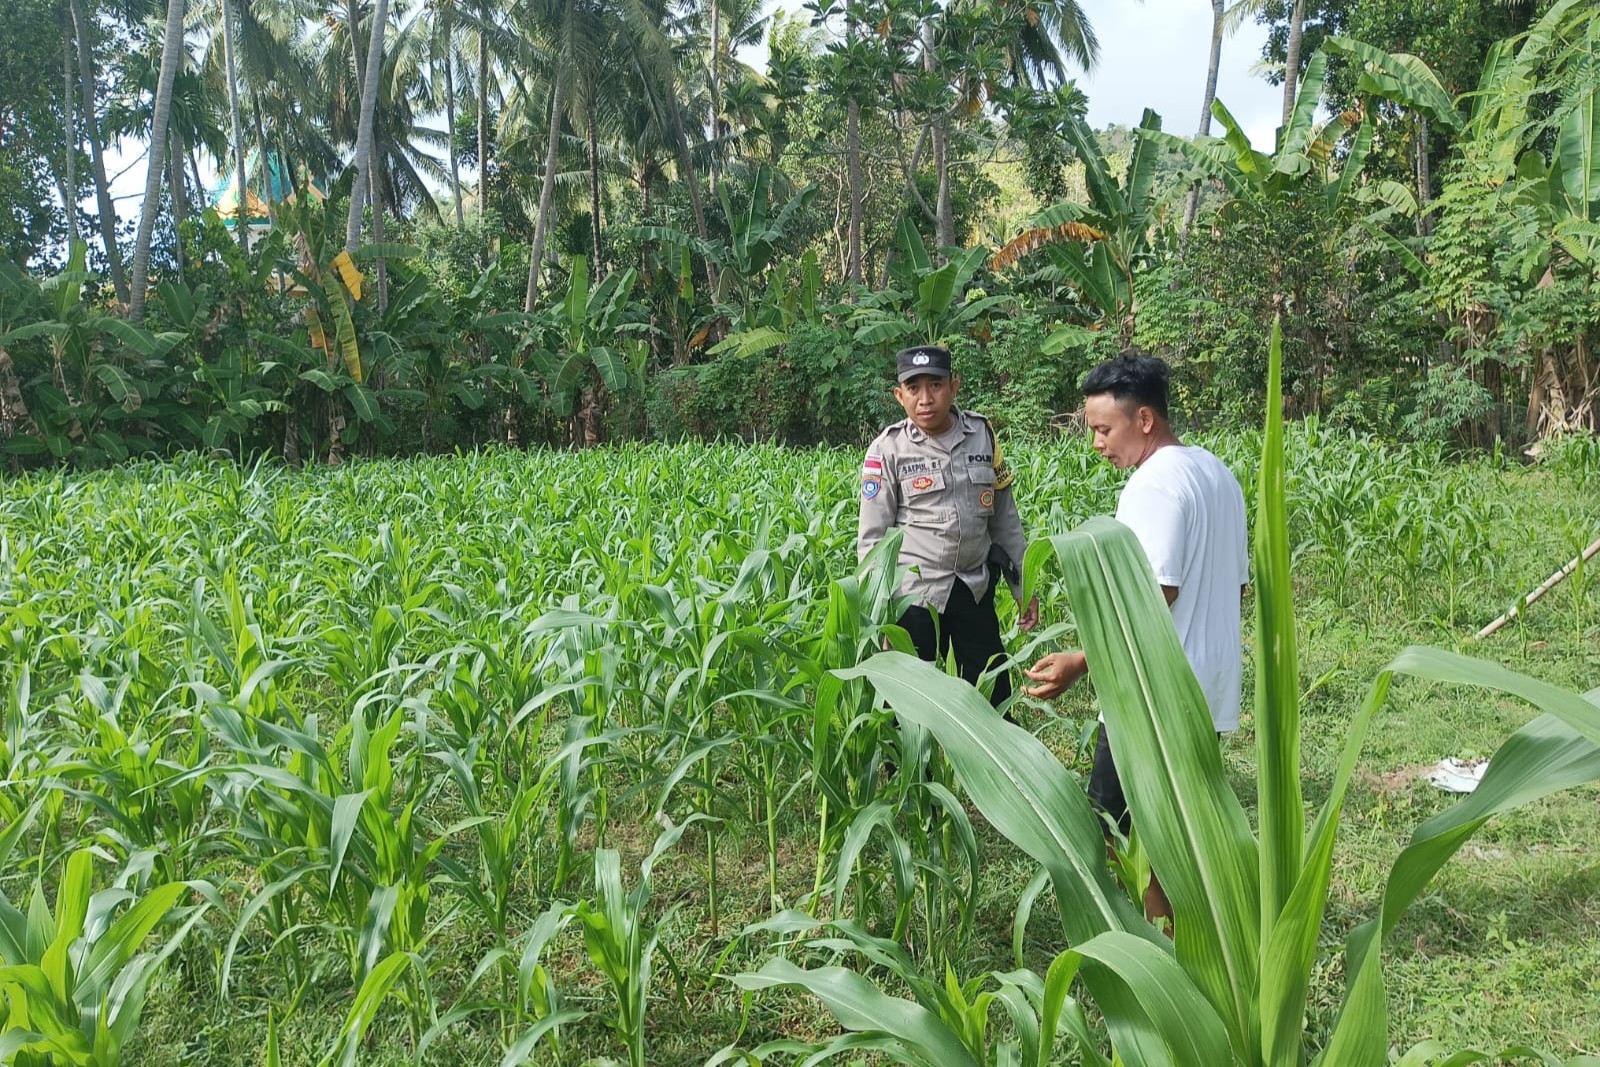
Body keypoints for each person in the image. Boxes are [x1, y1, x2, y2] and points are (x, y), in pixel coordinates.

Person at [1021, 349, 1248, 926]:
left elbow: (1155, 593)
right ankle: (1188, 936)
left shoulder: (1155, 482)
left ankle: (1153, 945)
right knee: (1180, 825)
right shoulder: (1216, 473)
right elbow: (1236, 584)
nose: (1096, 443)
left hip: (1155, 693)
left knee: (1119, 825)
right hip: (1210, 680)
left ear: (1144, 420)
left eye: (1103, 429)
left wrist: (1080, 658)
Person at [858, 344, 1039, 710]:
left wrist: (1025, 586)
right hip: (914, 597)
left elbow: (1005, 518)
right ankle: (914, 770)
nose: (925, 399)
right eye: (914, 388)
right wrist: (881, 621)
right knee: (910, 710)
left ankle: (990, 764)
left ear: (953, 387)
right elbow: (873, 541)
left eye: (936, 385)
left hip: (973, 587)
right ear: (899, 396)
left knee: (992, 695)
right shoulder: (887, 450)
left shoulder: (982, 435)